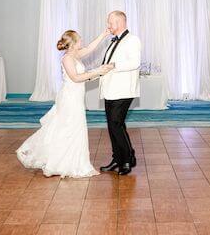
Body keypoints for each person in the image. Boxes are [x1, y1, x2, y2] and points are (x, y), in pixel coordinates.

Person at [16, 29, 113, 178]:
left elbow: (90, 48)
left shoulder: (75, 55)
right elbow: (75, 78)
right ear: (73, 44)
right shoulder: (67, 58)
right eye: (79, 39)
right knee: (70, 127)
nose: (82, 41)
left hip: (76, 96)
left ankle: (70, 162)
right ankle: (62, 163)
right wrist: (98, 71)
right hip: (70, 98)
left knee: (73, 127)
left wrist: (103, 35)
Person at [99, 11, 142, 176]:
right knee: (113, 125)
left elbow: (135, 63)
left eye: (110, 22)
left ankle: (127, 159)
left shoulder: (133, 39)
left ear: (120, 22)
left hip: (123, 90)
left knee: (116, 124)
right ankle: (118, 158)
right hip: (110, 89)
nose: (108, 26)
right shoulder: (113, 40)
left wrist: (113, 65)